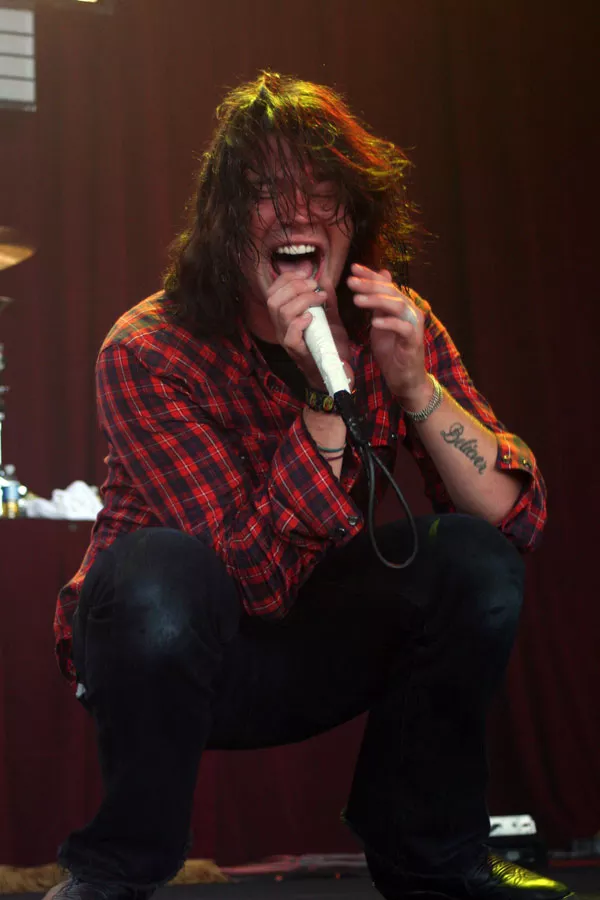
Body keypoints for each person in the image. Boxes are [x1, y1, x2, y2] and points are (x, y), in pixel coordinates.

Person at [49, 72, 574, 900]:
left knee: (470, 561)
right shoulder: (149, 347)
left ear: (356, 216)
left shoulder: (394, 321)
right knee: (157, 571)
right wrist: (326, 404)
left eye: (324, 193)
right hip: (181, 652)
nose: (298, 216)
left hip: (313, 644)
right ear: (228, 224)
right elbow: (245, 582)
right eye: (267, 194)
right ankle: (115, 872)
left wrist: (415, 392)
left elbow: (519, 521)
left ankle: (430, 858)